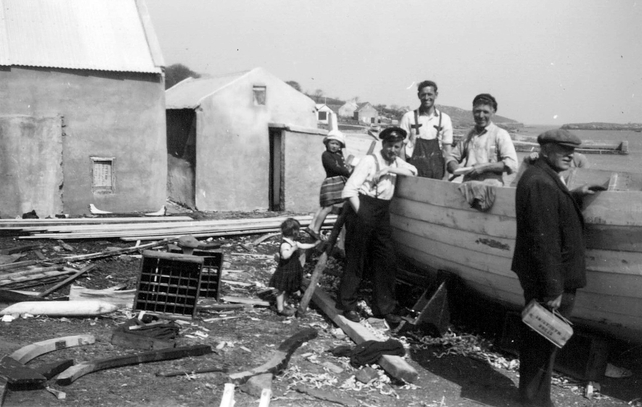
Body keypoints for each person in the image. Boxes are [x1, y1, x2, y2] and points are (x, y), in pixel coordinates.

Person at [511, 129, 603, 407]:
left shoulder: (541, 177)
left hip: (548, 278)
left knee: (542, 342)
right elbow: (544, 242)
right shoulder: (541, 182)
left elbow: (550, 213)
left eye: (572, 150)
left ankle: (535, 398)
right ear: (545, 150)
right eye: (563, 149)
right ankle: (534, 402)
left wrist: (574, 196)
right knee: (542, 344)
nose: (570, 155)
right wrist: (554, 289)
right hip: (551, 282)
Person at [337, 126, 418, 326]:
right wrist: (362, 213)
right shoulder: (369, 161)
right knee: (357, 259)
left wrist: (389, 169)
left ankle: (384, 308)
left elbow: (413, 171)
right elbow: (349, 191)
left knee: (386, 259)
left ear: (401, 147)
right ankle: (347, 304)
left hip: (382, 212)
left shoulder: (396, 162)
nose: (393, 150)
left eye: (397, 146)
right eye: (389, 145)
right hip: (363, 208)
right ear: (383, 144)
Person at [446, 93, 518, 185]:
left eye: (485, 112)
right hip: (467, 187)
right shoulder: (468, 135)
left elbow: (512, 164)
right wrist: (454, 167)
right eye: (477, 111)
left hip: (491, 189)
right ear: (473, 111)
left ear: (493, 112)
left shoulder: (501, 134)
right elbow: (452, 157)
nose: (481, 115)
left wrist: (484, 167)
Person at [399, 80, 453, 179]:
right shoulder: (408, 117)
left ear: (436, 95)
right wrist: (402, 171)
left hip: (437, 172)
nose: (426, 98)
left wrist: (446, 176)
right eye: (423, 94)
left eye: (430, 94)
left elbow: (447, 150)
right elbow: (401, 147)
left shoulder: (445, 119)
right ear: (418, 95)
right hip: (412, 171)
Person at [306, 130, 353, 240]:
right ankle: (315, 229)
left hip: (338, 182)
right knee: (327, 207)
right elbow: (334, 168)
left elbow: (342, 165)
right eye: (332, 143)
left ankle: (312, 226)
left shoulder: (339, 155)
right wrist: (347, 172)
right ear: (327, 143)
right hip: (331, 183)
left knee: (324, 206)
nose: (334, 146)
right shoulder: (326, 155)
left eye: (337, 144)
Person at [269, 218, 319, 316]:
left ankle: (284, 304)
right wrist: (292, 249)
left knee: (287, 288)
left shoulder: (293, 242)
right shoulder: (285, 244)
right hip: (285, 270)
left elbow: (303, 246)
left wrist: (314, 244)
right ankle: (280, 308)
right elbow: (285, 256)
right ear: (294, 232)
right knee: (280, 290)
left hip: (292, 270)